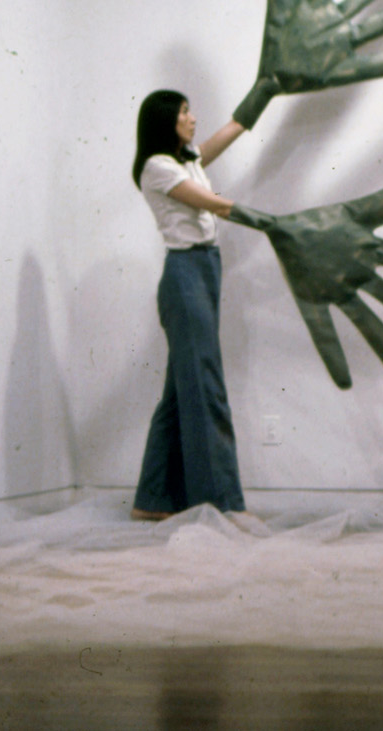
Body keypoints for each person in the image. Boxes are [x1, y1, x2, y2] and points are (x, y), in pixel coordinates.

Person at [129, 89, 247, 520]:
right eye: (184, 112)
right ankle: (221, 505)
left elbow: (219, 139)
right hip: (185, 276)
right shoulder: (157, 167)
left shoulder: (186, 160)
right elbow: (209, 203)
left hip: (206, 269)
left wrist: (258, 102)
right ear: (166, 121)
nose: (193, 118)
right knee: (206, 388)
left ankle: (152, 500)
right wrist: (272, 222)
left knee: (180, 393)